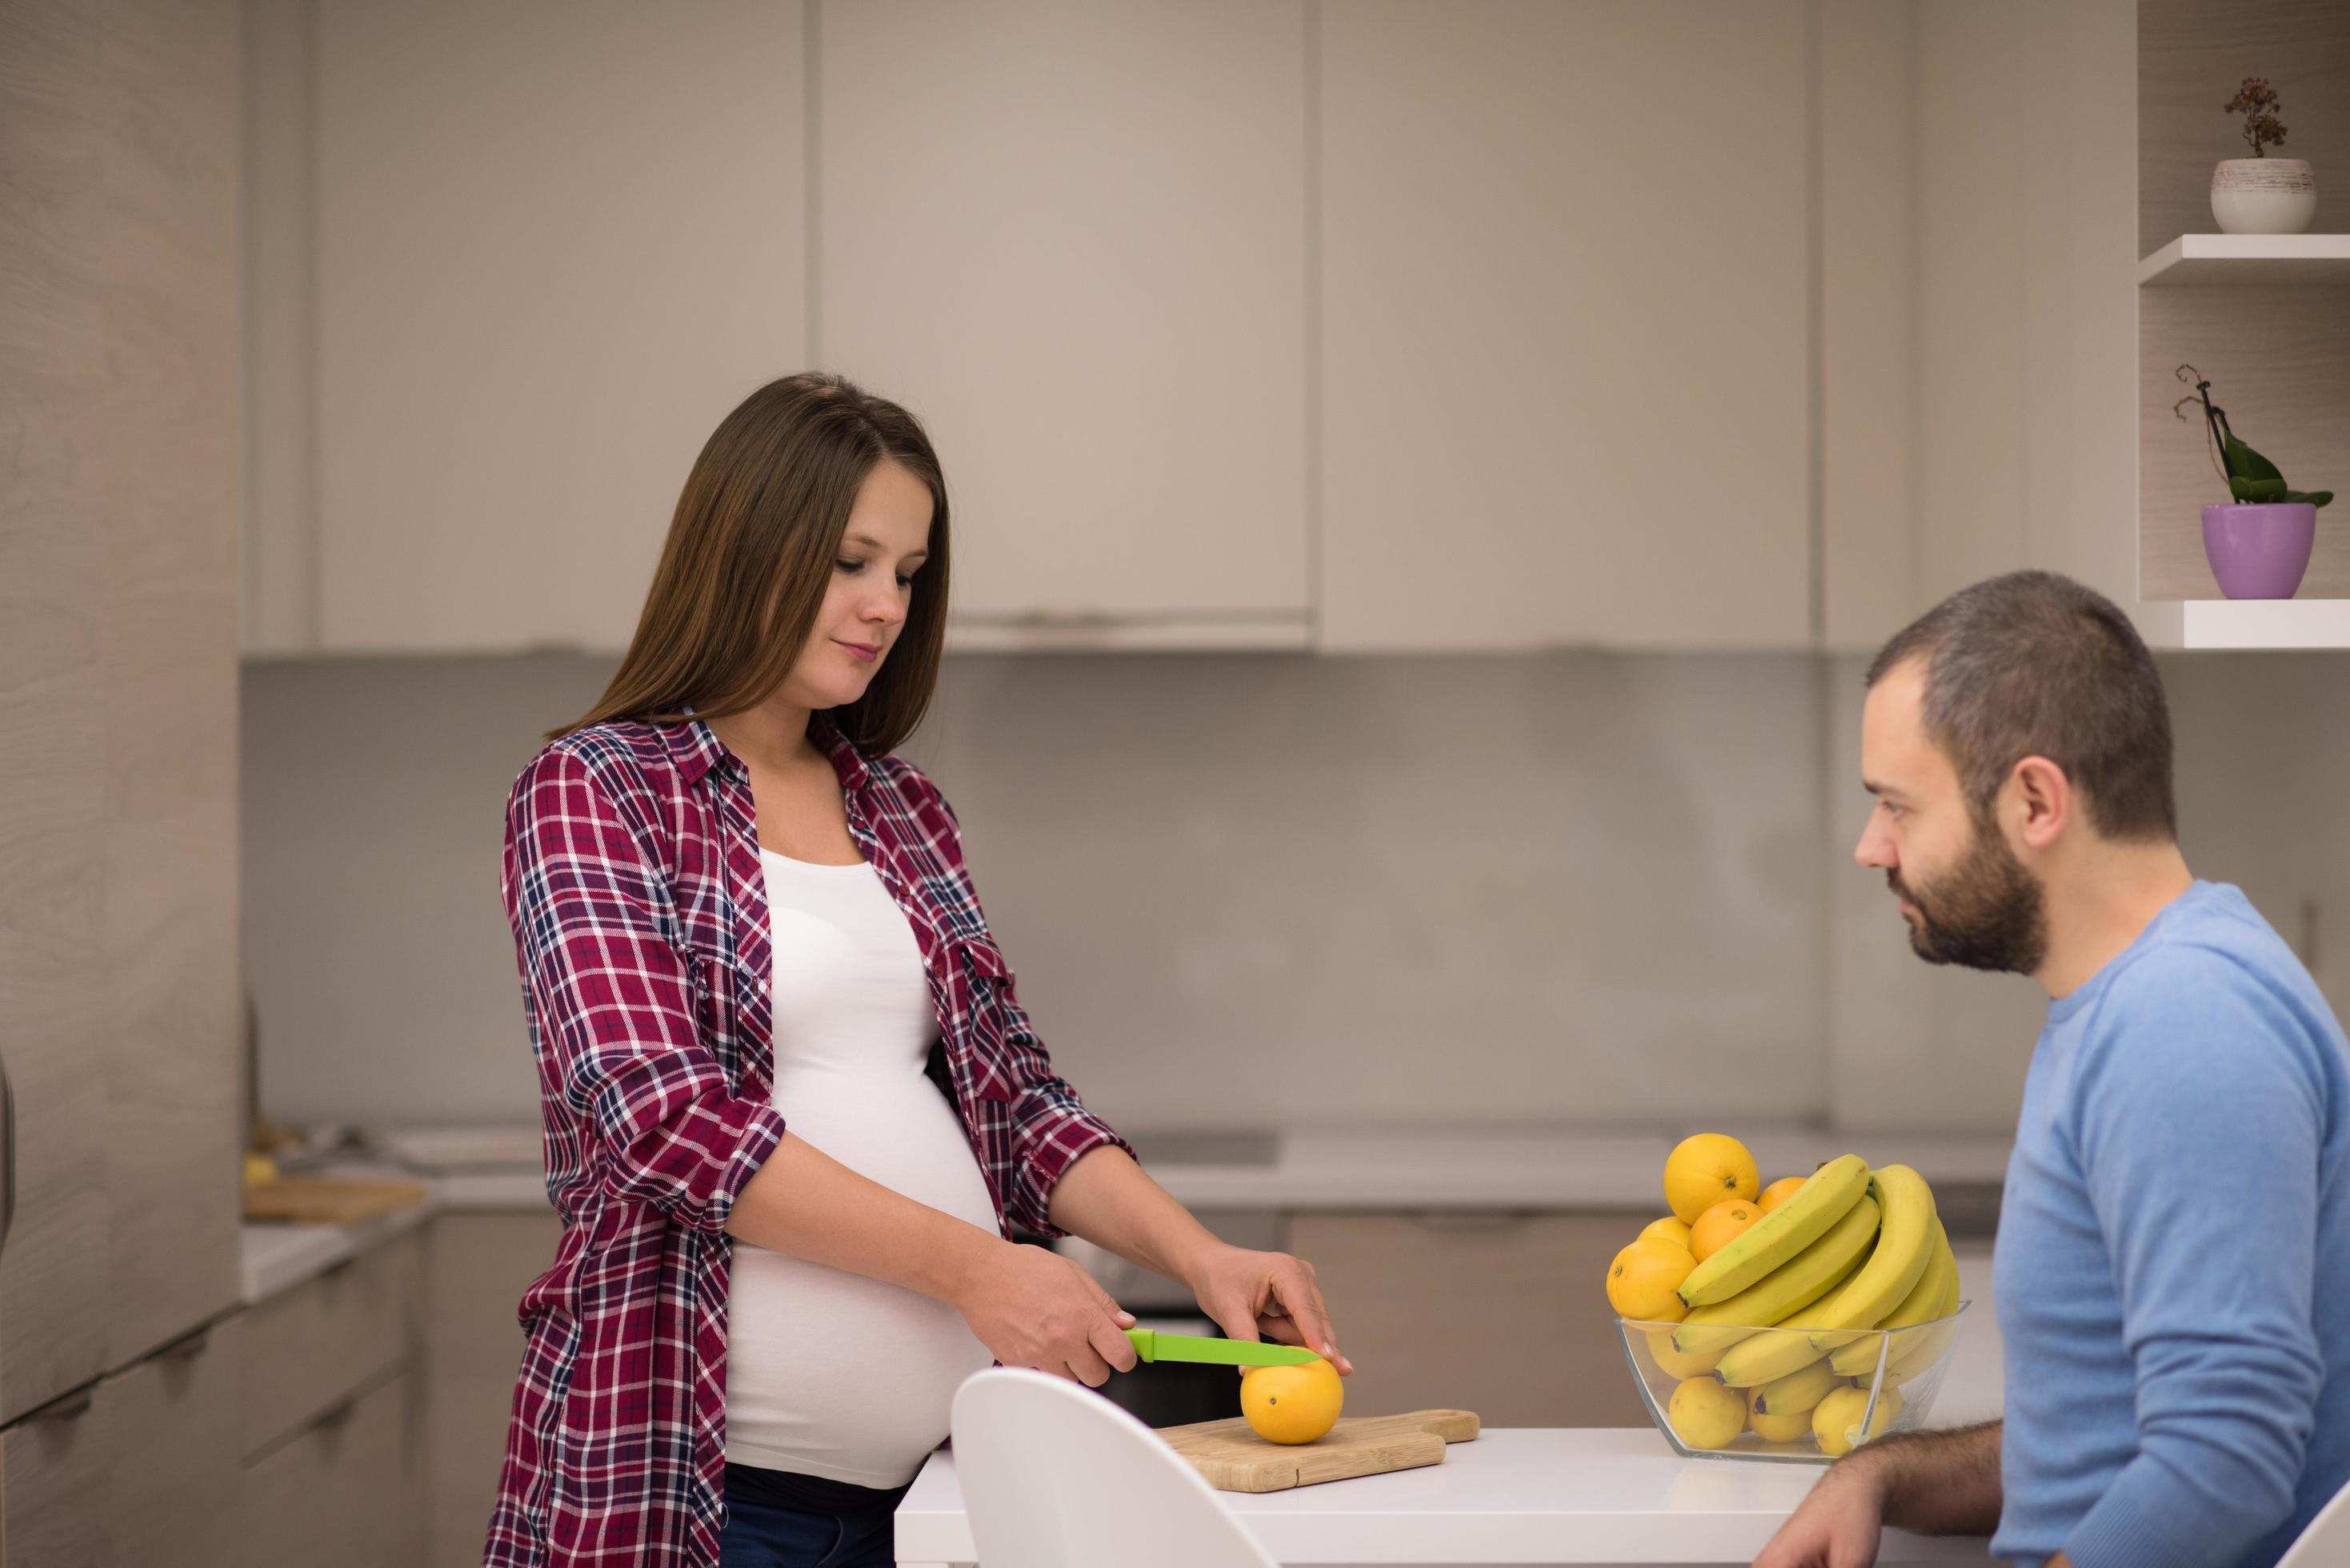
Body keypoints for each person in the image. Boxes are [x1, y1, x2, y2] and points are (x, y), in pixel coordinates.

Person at [485, 372, 1350, 1568]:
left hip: (940, 1499)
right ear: (746, 547)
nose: (883, 604)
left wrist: (1195, 1253)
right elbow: (662, 1120)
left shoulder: (899, 807)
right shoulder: (597, 790)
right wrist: (976, 1271)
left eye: (907, 570)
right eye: (851, 560)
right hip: (708, 1502)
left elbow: (1019, 1103)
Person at [1758, 570, 2350, 1568]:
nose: (1872, 847)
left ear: (2036, 799)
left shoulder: (2184, 1022)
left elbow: (2226, 1452)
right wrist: (1883, 1473)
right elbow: (2108, 1437)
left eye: (1899, 805)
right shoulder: (2133, 1001)